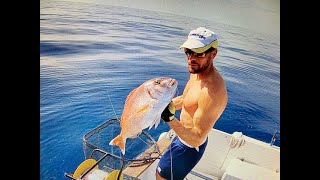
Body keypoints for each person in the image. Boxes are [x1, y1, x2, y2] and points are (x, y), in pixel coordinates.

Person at [156, 27, 228, 180]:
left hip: (188, 147)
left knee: (160, 176)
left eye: (199, 53)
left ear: (213, 53)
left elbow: (196, 138)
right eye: (188, 52)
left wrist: (169, 118)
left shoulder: (212, 92)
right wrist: (162, 105)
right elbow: (186, 99)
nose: (191, 59)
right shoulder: (197, 71)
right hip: (182, 136)